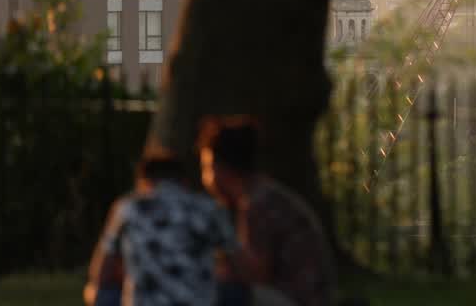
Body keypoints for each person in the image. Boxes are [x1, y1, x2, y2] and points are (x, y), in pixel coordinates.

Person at [198, 116, 335, 306]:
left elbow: (257, 274)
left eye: (205, 166)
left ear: (218, 167)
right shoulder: (261, 195)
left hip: (297, 299)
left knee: (222, 294)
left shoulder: (258, 203)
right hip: (298, 296)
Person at [84, 152, 241, 306]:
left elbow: (101, 272)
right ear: (184, 181)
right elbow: (237, 265)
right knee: (237, 289)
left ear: (143, 182)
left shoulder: (128, 208)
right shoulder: (210, 208)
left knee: (100, 291)